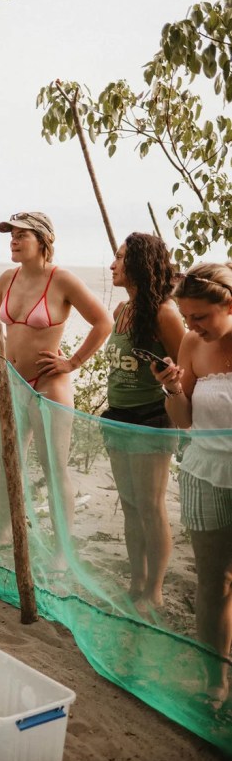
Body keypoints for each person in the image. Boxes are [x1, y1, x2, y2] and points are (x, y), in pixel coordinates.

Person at [0, 211, 112, 561]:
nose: (14, 239)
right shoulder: (7, 278)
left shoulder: (62, 279)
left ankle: (61, 550)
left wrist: (73, 362)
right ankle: (3, 531)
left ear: (43, 241)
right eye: (11, 234)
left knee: (54, 467)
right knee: (10, 457)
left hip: (48, 384)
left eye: (22, 234)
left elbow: (103, 321)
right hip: (12, 381)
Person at [153, 262, 232, 708]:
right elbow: (184, 423)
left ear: (229, 305)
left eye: (200, 317)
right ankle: (214, 681)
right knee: (213, 581)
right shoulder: (189, 343)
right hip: (205, 474)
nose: (191, 326)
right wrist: (171, 390)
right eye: (186, 317)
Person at [101, 233, 185, 616]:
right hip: (117, 417)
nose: (112, 265)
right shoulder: (121, 310)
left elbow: (188, 367)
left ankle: (155, 591)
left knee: (151, 506)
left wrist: (171, 380)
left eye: (119, 259)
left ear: (137, 265)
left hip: (152, 419)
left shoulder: (165, 313)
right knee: (131, 505)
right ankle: (136, 583)